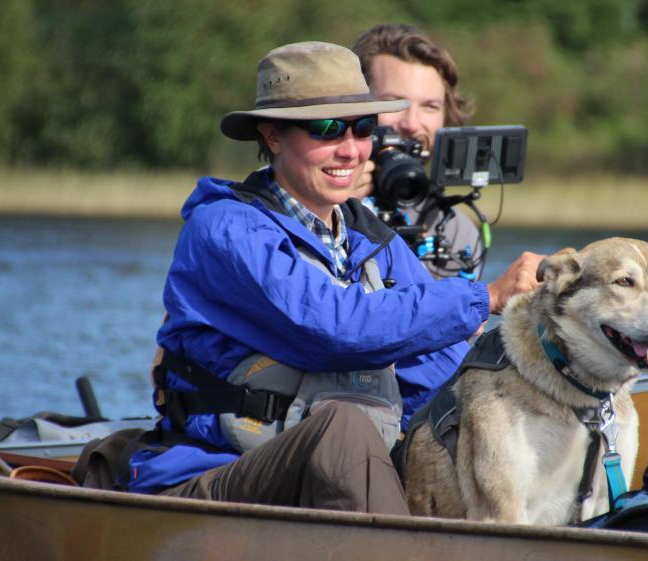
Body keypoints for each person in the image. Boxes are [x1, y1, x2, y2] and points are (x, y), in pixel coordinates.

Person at [130, 41, 544, 516]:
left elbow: (444, 374)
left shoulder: (374, 241)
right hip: (211, 475)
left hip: (326, 480)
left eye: (363, 128)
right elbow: (335, 329)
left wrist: (547, 355)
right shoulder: (226, 229)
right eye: (326, 129)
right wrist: (484, 297)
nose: (349, 149)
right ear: (272, 137)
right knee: (344, 426)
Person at [351, 24, 482, 280]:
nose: (411, 124)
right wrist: (335, 208)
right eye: (393, 103)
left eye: (430, 107)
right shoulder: (294, 193)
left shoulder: (455, 232)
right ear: (352, 104)